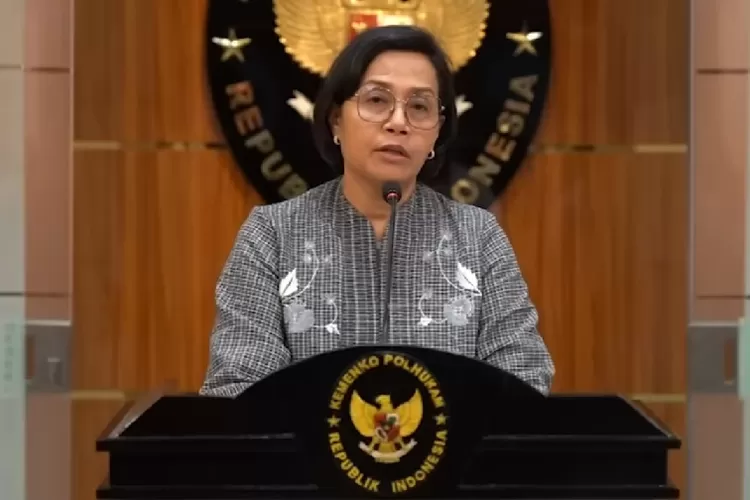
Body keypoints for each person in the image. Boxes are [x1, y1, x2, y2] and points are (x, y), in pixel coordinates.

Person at [199, 25, 554, 397]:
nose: (398, 123)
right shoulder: (272, 235)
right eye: (376, 100)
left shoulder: (478, 237)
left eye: (419, 107)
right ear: (336, 118)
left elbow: (524, 381)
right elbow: (238, 388)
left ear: (437, 132)